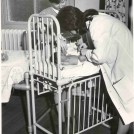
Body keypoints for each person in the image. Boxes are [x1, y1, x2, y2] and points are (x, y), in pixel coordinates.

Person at [56, 6, 134, 134]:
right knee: (127, 111)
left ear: (74, 28)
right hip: (125, 60)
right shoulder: (96, 19)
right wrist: (86, 49)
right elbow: (106, 44)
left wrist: (86, 52)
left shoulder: (96, 26)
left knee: (126, 112)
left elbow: (99, 57)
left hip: (126, 66)